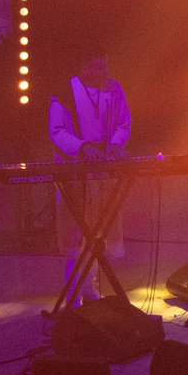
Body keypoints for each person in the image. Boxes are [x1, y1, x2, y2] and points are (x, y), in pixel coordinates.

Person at [46, 53, 133, 302]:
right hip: (75, 170)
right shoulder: (65, 91)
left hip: (103, 169)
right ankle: (72, 295)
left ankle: (90, 288)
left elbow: (123, 122)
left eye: (106, 66)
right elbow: (57, 131)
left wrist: (116, 143)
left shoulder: (114, 88)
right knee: (76, 232)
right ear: (84, 67)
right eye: (98, 67)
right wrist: (82, 147)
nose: (104, 71)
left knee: (98, 230)